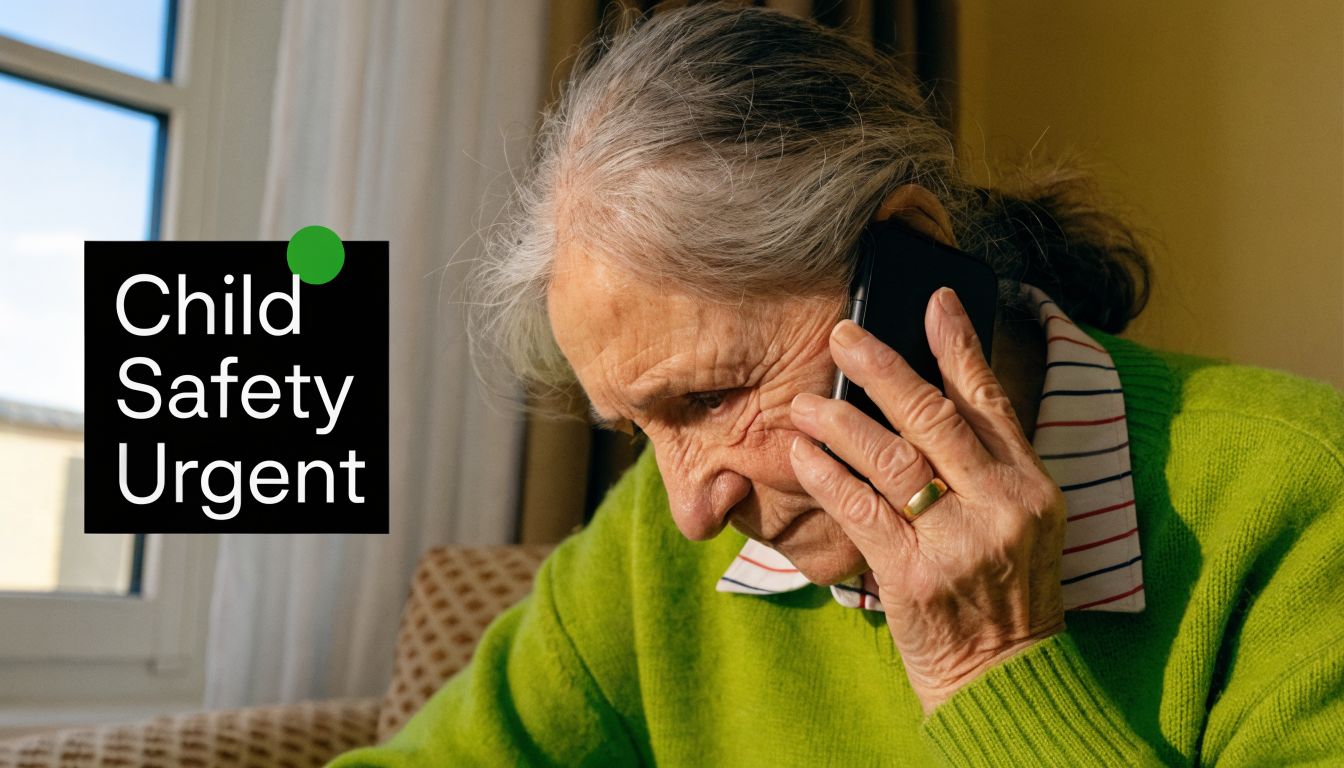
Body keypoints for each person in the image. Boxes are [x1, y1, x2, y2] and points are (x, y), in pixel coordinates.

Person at [330, 5, 1344, 766]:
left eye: (711, 399)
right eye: (642, 430)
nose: (690, 508)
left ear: (905, 266)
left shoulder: (1303, 507)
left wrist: (992, 665)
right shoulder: (654, 545)